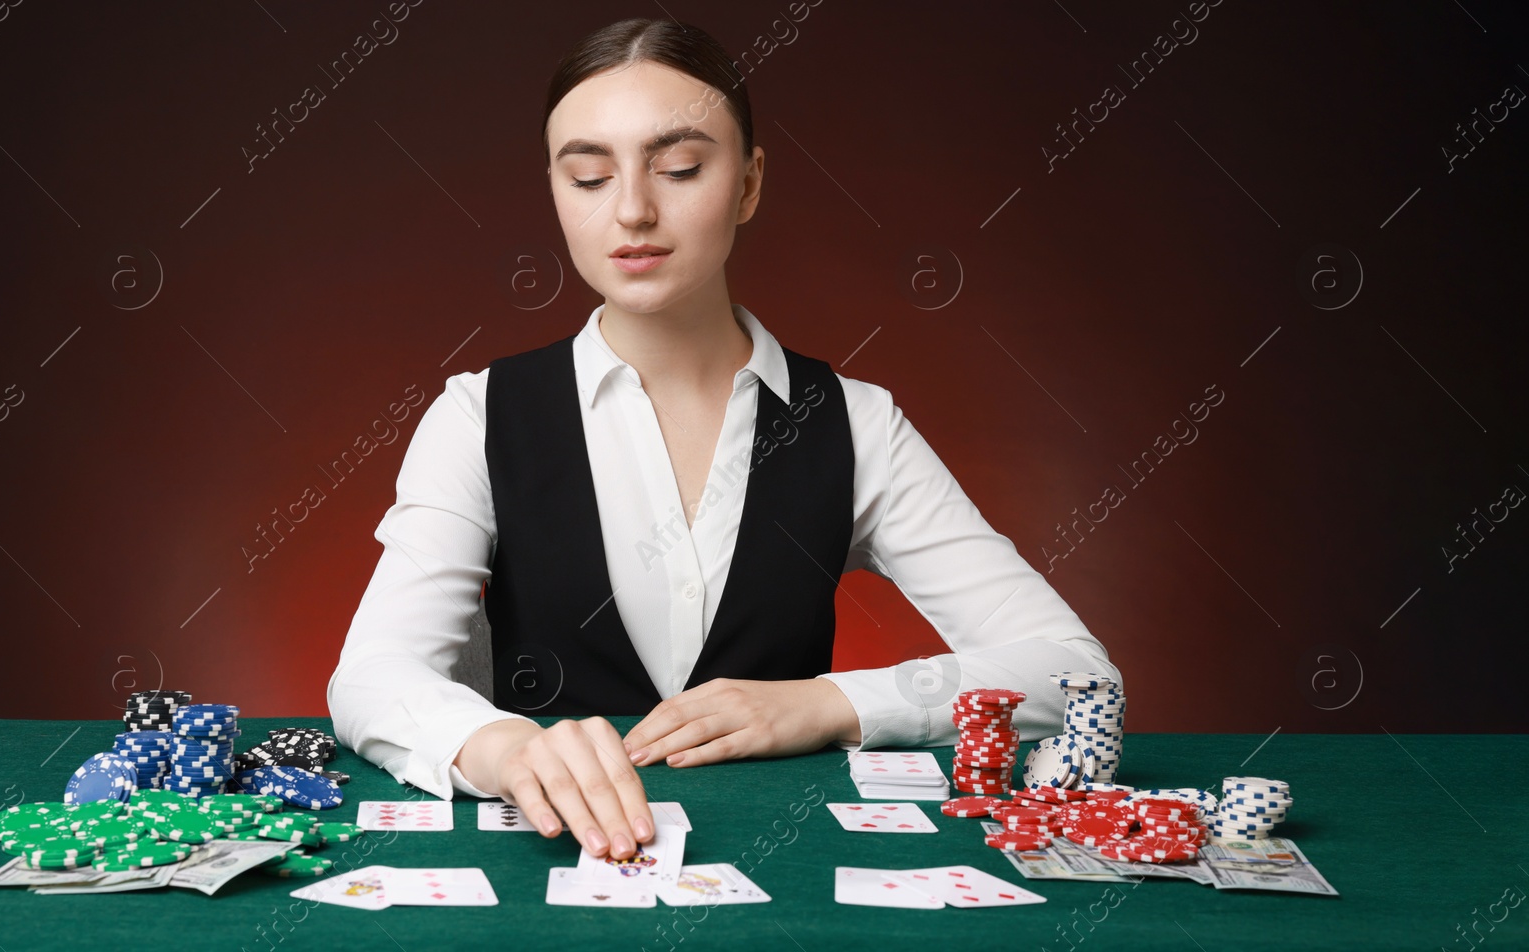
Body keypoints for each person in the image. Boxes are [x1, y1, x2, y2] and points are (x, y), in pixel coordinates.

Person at [328, 17, 1117, 864]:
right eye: (589, 176)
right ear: (556, 191)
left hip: (790, 879)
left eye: (679, 168)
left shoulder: (855, 421)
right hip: (552, 872)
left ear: (748, 183)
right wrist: (506, 748)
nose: (632, 208)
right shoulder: (478, 413)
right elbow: (371, 676)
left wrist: (827, 704)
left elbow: (1076, 673)